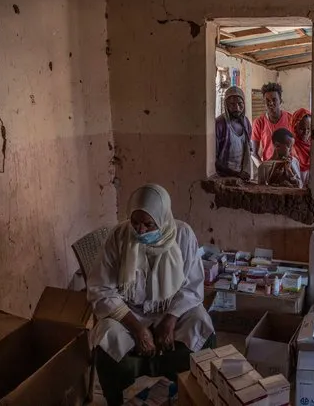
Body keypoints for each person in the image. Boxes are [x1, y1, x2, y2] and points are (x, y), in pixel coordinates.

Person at [87, 184, 215, 406]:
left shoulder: (183, 235)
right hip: (129, 313)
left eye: (149, 224)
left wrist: (170, 319)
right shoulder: (119, 237)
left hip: (170, 310)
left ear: (163, 218)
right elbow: (101, 289)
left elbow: (192, 287)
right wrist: (138, 329)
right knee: (107, 338)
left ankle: (188, 390)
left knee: (201, 326)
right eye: (135, 223)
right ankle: (115, 400)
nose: (141, 231)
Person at [251, 82, 292, 166]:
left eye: (274, 100)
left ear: (280, 100)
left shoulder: (290, 119)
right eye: (267, 101)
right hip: (269, 167)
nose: (271, 103)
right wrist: (263, 168)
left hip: (289, 166)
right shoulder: (259, 122)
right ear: (264, 102)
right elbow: (253, 152)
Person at [215, 86, 252, 179]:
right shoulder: (220, 124)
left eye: (240, 103)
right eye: (232, 104)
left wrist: (243, 173)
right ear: (226, 105)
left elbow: (247, 150)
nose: (237, 108)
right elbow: (214, 160)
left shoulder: (246, 123)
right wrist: (236, 174)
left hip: (241, 176)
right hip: (223, 177)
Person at [291, 108, 311, 186]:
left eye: (308, 129)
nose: (306, 132)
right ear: (295, 127)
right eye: (302, 129)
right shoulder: (291, 148)